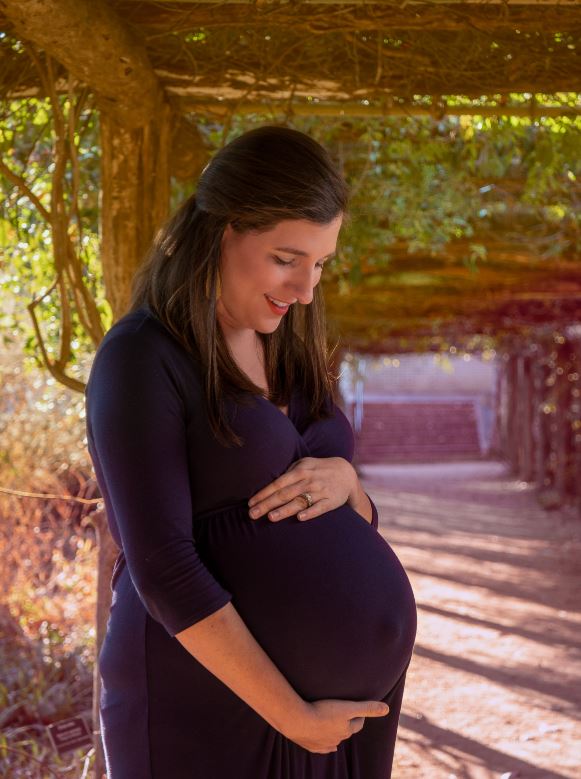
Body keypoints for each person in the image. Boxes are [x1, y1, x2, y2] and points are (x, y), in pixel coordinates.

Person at [85, 124, 417, 778]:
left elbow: (352, 512)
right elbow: (164, 568)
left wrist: (346, 480)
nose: (305, 290)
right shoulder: (141, 358)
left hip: (332, 721)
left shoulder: (292, 343)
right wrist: (291, 714)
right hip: (208, 707)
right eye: (286, 258)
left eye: (320, 264)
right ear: (226, 227)